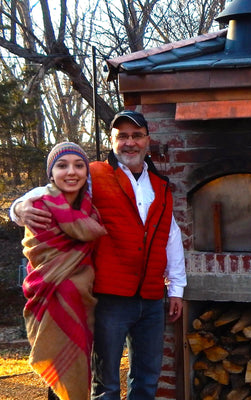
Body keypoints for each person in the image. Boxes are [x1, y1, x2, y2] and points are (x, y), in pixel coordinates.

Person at [11, 110, 187, 400]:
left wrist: (176, 288)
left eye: (136, 136)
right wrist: (17, 207)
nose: (129, 143)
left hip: (153, 298)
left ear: (147, 140)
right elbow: (51, 187)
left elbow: (171, 234)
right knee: (106, 385)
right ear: (111, 140)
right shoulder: (92, 173)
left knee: (146, 379)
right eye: (122, 136)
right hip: (110, 296)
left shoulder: (160, 185)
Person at [19, 142, 107, 400]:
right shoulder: (36, 208)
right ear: (51, 173)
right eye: (62, 165)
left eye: (79, 166)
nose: (71, 172)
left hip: (83, 303)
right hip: (48, 299)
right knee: (58, 372)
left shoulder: (91, 210)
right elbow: (40, 255)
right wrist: (17, 207)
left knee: (80, 365)